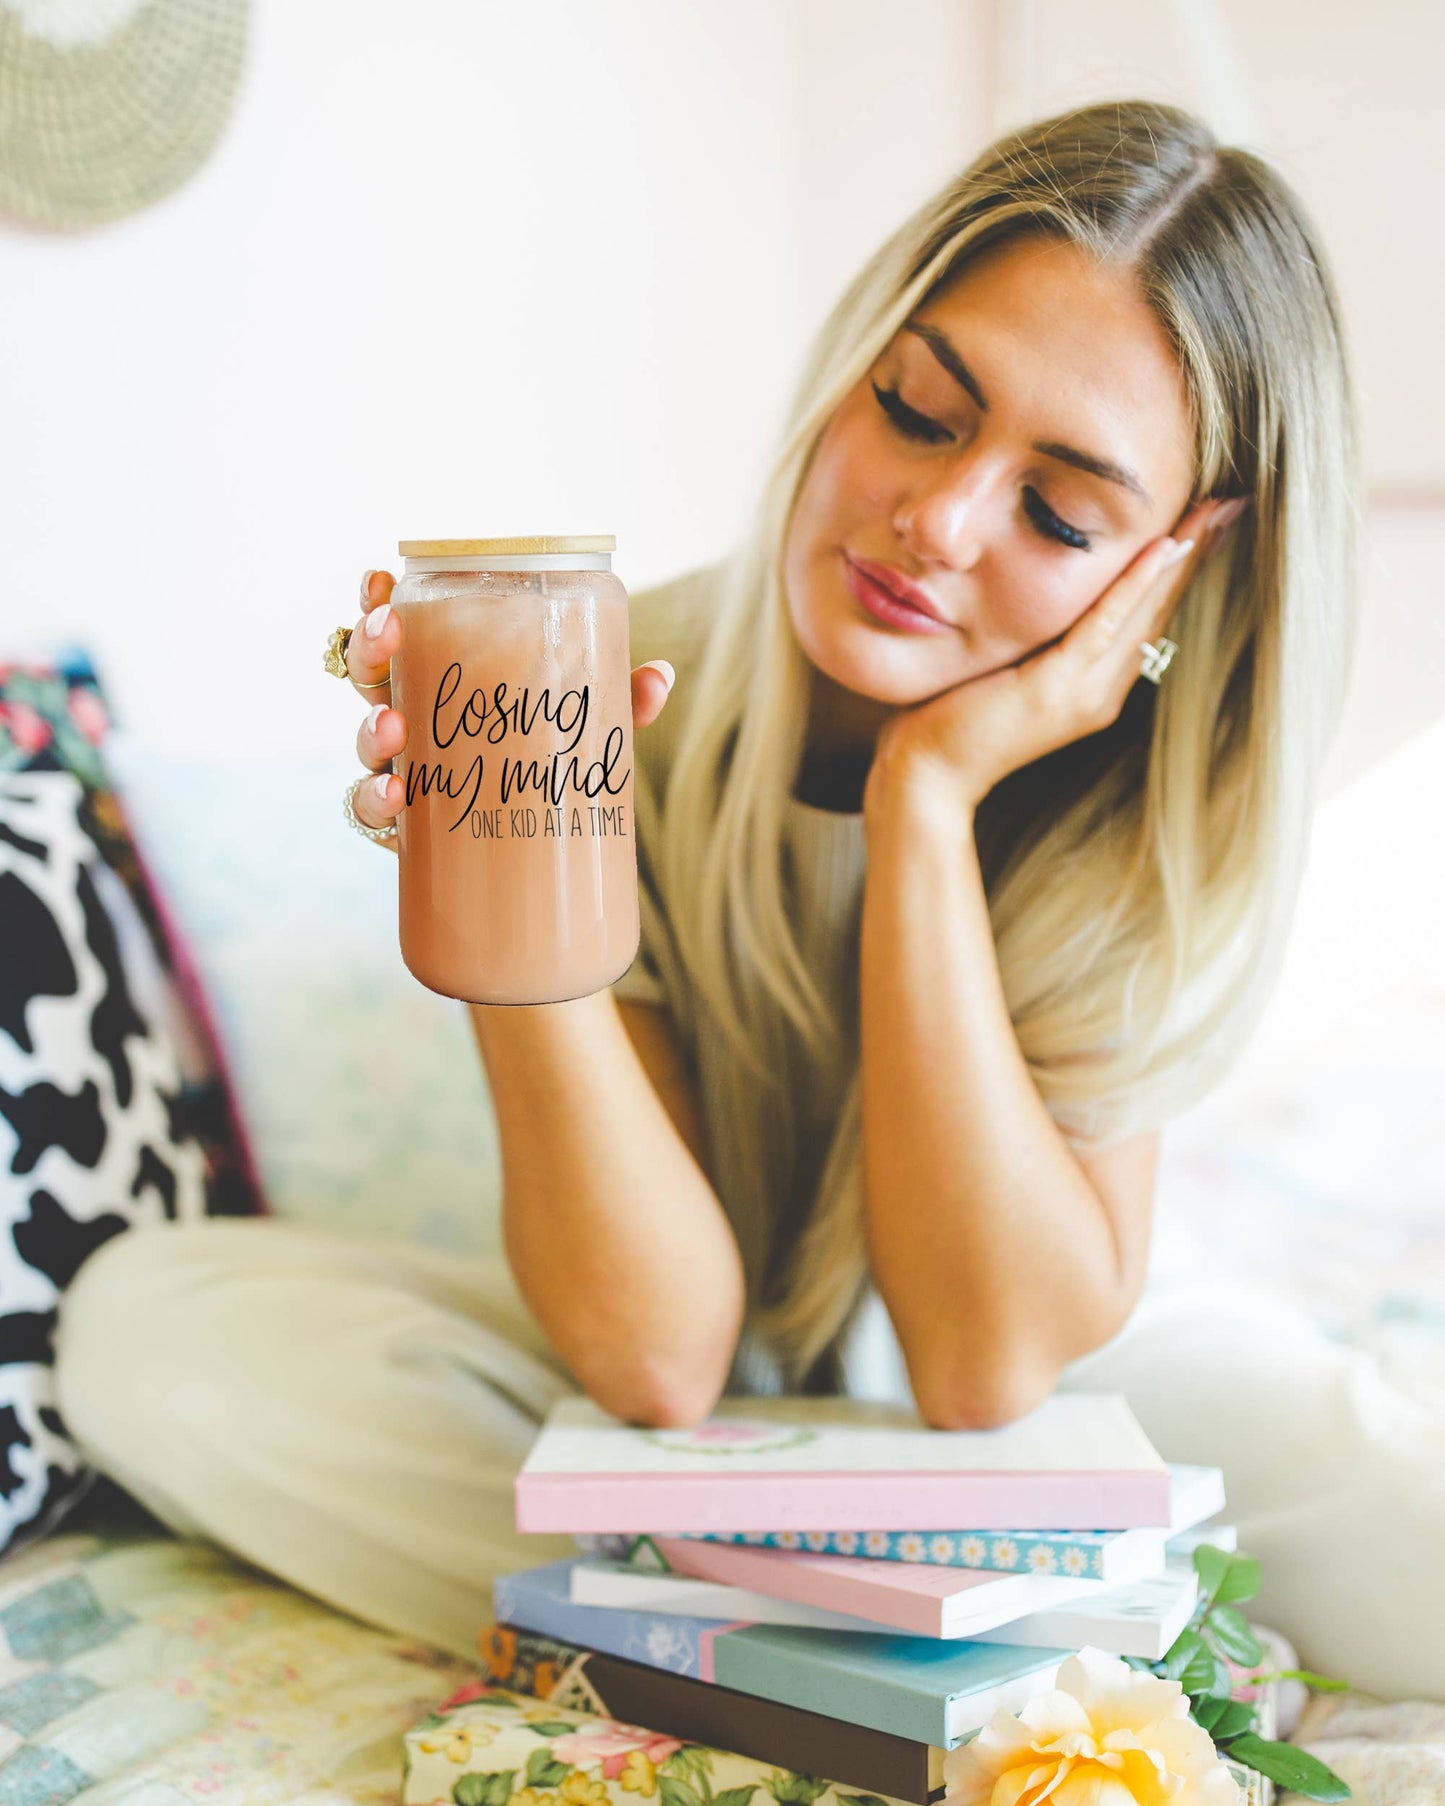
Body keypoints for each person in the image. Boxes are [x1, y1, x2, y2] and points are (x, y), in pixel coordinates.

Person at [53, 99, 1444, 1700]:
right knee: (154, 1335)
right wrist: (511, 885)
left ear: (1173, 580)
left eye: (1060, 514)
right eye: (920, 408)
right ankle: (926, 1662)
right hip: (684, 1433)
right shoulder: (600, 687)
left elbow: (983, 1365)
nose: (938, 518)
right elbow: (658, 1358)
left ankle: (766, 1637)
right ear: (858, 354)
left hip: (1052, 1405)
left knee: (1403, 1521)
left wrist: (926, 797)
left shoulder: (1154, 817)